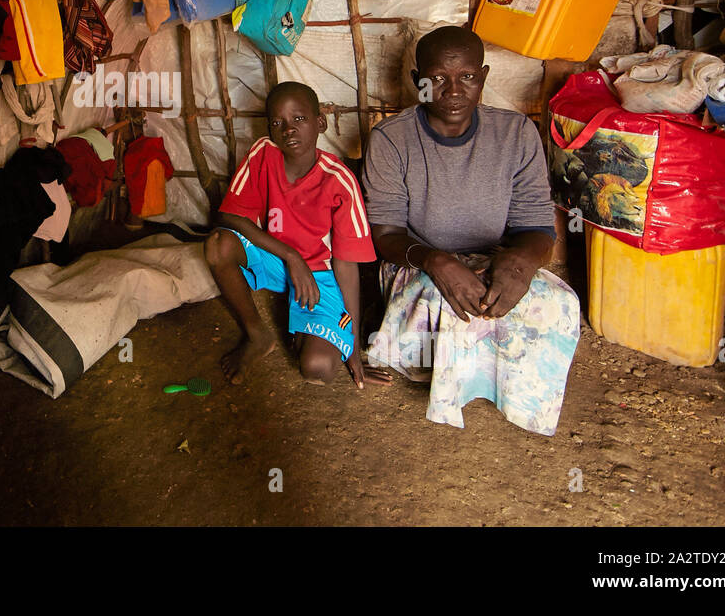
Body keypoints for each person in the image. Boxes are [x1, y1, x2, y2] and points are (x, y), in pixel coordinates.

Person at [362, 26, 580, 436]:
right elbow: (387, 233)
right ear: (417, 82)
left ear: (483, 76)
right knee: (449, 303)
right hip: (416, 261)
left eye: (467, 77)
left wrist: (522, 263)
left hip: (491, 256)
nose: (454, 90)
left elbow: (535, 224)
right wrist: (437, 261)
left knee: (556, 302)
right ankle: (446, 380)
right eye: (438, 79)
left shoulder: (516, 134)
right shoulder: (391, 139)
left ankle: (503, 385)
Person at [204, 82, 391, 389]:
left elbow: (347, 265)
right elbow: (229, 216)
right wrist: (291, 257)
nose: (288, 130)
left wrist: (354, 349)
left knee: (316, 367)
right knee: (217, 245)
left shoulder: (339, 181)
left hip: (320, 275)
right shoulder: (263, 153)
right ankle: (257, 336)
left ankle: (306, 329)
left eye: (299, 119)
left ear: (320, 122)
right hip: (280, 260)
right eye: (278, 123)